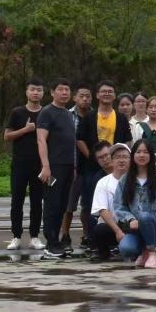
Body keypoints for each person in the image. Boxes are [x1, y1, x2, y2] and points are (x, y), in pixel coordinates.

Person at [76, 80, 132, 249]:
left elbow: (128, 140)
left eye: (110, 91)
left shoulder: (120, 117)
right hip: (91, 167)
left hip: (116, 168)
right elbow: (79, 139)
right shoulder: (89, 117)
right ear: (97, 95)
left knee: (119, 200)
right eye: (103, 91)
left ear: (114, 95)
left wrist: (122, 158)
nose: (107, 94)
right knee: (89, 203)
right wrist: (91, 156)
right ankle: (89, 236)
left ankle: (118, 235)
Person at [111, 139, 156, 268]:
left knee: (145, 216)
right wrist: (130, 219)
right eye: (138, 152)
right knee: (126, 249)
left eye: (146, 152)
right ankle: (144, 251)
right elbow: (119, 206)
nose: (142, 155)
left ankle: (152, 253)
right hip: (136, 230)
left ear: (151, 155)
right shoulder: (125, 179)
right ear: (133, 155)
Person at [4, 77, 46, 251]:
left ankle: (35, 237)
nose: (35, 92)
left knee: (37, 202)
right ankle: (16, 236)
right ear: (27, 92)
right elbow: (7, 136)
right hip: (20, 164)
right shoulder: (17, 112)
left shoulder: (46, 113)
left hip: (40, 165)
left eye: (39, 89)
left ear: (43, 93)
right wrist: (25, 130)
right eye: (32, 89)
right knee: (17, 201)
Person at [36, 78, 75, 258]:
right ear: (52, 92)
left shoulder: (68, 114)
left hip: (68, 166)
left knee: (62, 205)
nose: (64, 93)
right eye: (61, 89)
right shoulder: (46, 112)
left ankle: (56, 241)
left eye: (67, 90)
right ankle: (50, 242)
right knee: (52, 204)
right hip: (53, 167)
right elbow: (41, 140)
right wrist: (46, 166)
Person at [62, 82, 92, 249]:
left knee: (87, 205)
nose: (85, 99)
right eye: (81, 96)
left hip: (90, 166)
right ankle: (65, 235)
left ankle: (86, 235)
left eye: (88, 96)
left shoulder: (95, 115)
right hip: (72, 165)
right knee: (69, 205)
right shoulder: (67, 115)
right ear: (74, 98)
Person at [90, 141, 131, 261]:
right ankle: (104, 253)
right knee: (99, 229)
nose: (121, 160)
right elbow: (102, 210)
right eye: (117, 157)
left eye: (125, 157)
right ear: (112, 160)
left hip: (133, 225)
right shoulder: (103, 182)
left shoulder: (137, 180)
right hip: (113, 226)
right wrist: (118, 231)